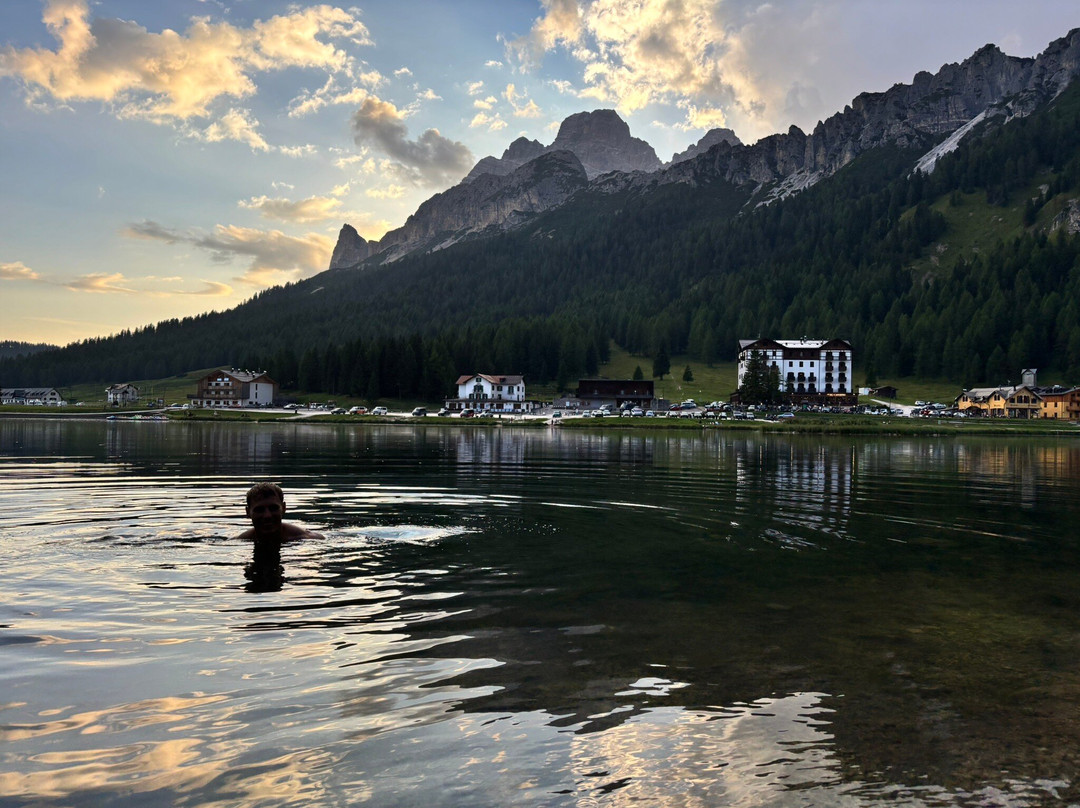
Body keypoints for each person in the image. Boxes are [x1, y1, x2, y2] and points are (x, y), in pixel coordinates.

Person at [237, 482, 325, 542]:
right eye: (259, 510)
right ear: (248, 512)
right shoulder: (238, 541)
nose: (267, 515)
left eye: (273, 508)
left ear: (283, 508)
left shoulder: (308, 539)